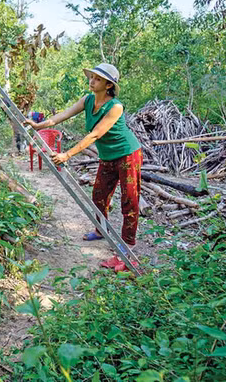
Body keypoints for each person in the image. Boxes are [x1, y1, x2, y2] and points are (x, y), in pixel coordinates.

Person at [23, 63, 142, 272]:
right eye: (92, 77)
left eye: (97, 78)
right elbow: (63, 115)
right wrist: (39, 125)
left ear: (108, 85)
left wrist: (66, 154)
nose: (92, 81)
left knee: (129, 201)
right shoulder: (88, 100)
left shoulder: (115, 106)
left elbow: (95, 134)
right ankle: (100, 229)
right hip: (107, 156)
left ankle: (127, 251)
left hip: (127, 155)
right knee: (98, 196)